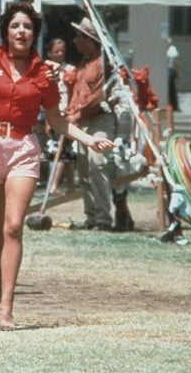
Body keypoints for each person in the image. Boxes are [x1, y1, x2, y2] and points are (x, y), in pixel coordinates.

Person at [0, 2, 113, 331]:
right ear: (5, 31)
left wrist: (88, 140)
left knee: (14, 226)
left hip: (23, 148)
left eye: (27, 27)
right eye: (15, 26)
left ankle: (6, 308)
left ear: (34, 34)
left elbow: (56, 120)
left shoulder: (44, 74)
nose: (21, 31)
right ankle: (2, 294)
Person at [64, 17, 117, 231]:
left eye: (80, 37)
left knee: (97, 165)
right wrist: (69, 112)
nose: (75, 41)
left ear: (91, 40)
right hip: (81, 122)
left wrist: (77, 115)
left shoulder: (103, 64)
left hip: (99, 120)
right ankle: (91, 217)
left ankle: (104, 218)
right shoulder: (83, 64)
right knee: (84, 169)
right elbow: (77, 93)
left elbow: (98, 97)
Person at [45, 38, 76, 195]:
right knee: (61, 150)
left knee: (64, 149)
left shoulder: (70, 70)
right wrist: (47, 120)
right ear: (49, 53)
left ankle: (57, 185)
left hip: (66, 113)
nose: (60, 54)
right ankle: (67, 185)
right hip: (53, 113)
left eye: (62, 51)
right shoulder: (46, 69)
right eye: (56, 51)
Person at [166, 37, 180, 112]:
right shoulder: (172, 50)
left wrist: (177, 72)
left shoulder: (171, 50)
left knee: (171, 89)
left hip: (169, 70)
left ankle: (172, 105)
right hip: (170, 70)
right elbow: (176, 63)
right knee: (171, 89)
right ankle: (173, 105)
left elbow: (176, 63)